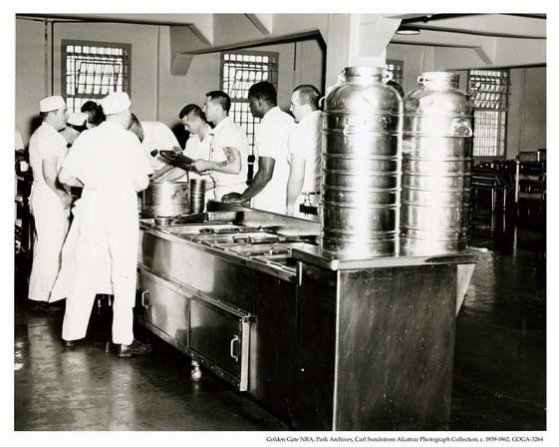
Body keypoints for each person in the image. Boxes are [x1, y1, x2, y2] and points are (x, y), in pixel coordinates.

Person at [58, 91, 153, 357]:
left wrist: (90, 183)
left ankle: (71, 334)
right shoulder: (129, 140)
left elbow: (64, 175)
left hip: (92, 207)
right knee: (122, 273)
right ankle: (123, 340)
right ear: (125, 114)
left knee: (84, 268)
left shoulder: (87, 137)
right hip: (120, 208)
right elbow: (143, 182)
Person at [27, 95, 72, 310]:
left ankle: (41, 294)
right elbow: (49, 174)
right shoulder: (48, 137)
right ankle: (43, 298)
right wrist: (62, 194)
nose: (67, 116)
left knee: (45, 245)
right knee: (51, 247)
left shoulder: (44, 134)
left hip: (44, 195)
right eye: (64, 112)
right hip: (49, 195)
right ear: (53, 113)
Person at [222, 82, 295, 213]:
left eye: (251, 102)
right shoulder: (289, 120)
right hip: (286, 199)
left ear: (260, 101)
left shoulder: (267, 125)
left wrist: (243, 197)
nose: (250, 106)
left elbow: (265, 173)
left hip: (269, 202)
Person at [192, 90, 248, 200]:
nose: (203, 110)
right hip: (226, 191)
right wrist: (209, 169)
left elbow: (235, 167)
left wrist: (207, 165)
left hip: (230, 193)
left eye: (206, 106)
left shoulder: (227, 131)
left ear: (217, 108)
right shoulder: (224, 130)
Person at [286, 85, 323, 220]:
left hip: (305, 203)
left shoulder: (300, 131)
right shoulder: (329, 123)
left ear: (306, 108)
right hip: (325, 201)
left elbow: (297, 177)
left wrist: (289, 207)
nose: (290, 109)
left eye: (293, 105)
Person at [127, 113, 185, 182]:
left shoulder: (158, 129)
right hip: (153, 183)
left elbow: (179, 158)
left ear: (134, 125)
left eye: (126, 130)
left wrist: (157, 175)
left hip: (174, 181)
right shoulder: (129, 140)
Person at [179, 103, 213, 182]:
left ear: (198, 120)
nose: (185, 129)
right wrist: (162, 180)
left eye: (187, 125)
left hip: (213, 192)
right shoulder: (191, 141)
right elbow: (183, 167)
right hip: (193, 191)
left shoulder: (215, 137)